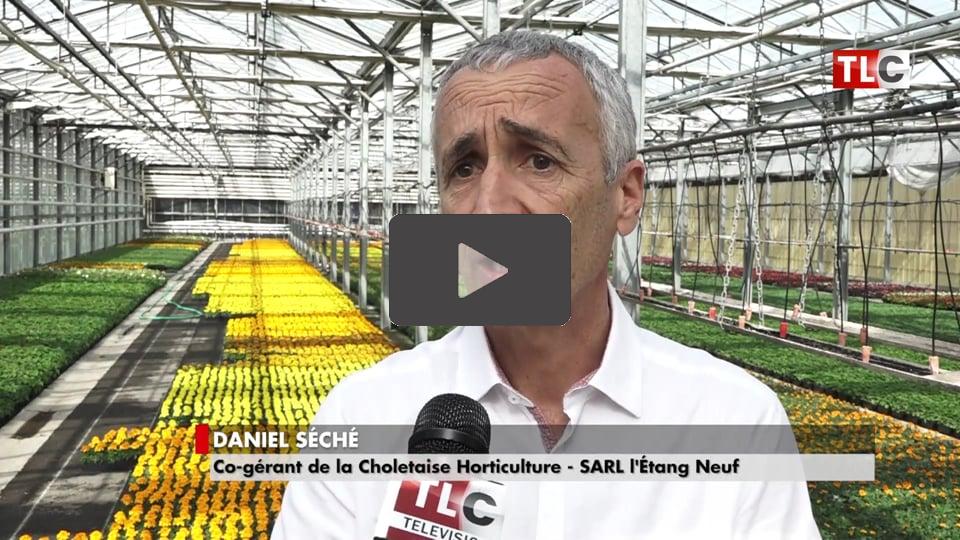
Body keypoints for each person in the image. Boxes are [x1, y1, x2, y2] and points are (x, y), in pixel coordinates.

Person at [273, 30, 820, 539]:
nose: (489, 207)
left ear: (626, 196)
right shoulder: (365, 414)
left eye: (539, 161)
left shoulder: (734, 420)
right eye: (464, 168)